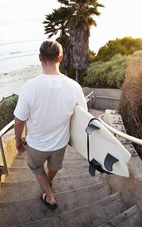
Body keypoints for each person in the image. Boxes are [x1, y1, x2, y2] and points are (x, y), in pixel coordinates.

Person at [13, 40, 87, 210]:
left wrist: (18, 140)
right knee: (54, 167)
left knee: (36, 166)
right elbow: (83, 115)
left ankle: (50, 196)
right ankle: (49, 182)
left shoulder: (29, 87)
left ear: (40, 58)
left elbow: (19, 120)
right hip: (60, 143)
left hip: (37, 144)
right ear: (60, 58)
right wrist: (73, 138)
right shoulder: (74, 86)